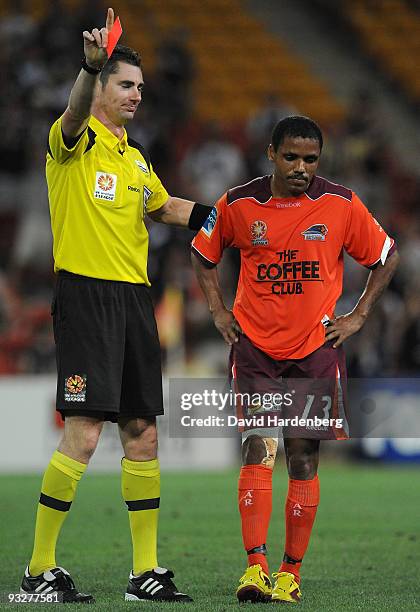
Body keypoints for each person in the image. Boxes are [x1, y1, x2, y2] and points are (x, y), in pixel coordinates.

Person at [20, 8, 210, 604]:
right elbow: (74, 112)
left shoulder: (134, 158)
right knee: (82, 432)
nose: (135, 96)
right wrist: (89, 66)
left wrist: (225, 216)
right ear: (102, 85)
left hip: (133, 301)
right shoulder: (71, 144)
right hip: (84, 295)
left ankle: (144, 572)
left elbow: (167, 208)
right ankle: (38, 569)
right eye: (125, 85)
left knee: (141, 432)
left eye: (139, 89)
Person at [191, 115, 399, 603]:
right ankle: (255, 569)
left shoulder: (341, 204)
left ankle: (290, 574)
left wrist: (359, 315)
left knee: (303, 456)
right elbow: (203, 253)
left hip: (315, 350)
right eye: (291, 157)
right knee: (258, 448)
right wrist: (219, 311)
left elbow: (386, 255)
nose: (301, 167)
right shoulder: (239, 204)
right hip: (256, 349)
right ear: (270, 154)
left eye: (310, 159)